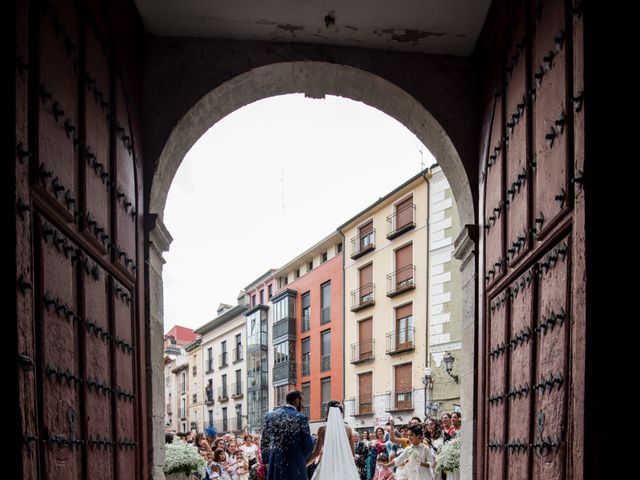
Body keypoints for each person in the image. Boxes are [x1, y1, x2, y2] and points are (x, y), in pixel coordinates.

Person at [260, 390, 314, 480]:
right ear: (297, 401)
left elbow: (265, 442)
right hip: (295, 463)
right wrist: (300, 459)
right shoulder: (300, 417)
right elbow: (308, 446)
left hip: (275, 462)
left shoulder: (270, 416)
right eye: (302, 401)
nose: (303, 405)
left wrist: (268, 462)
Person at [305, 400, 359, 480]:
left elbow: (317, 453)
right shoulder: (348, 430)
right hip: (344, 468)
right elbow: (352, 453)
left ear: (327, 413)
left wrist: (304, 464)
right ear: (341, 413)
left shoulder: (322, 430)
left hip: (327, 468)